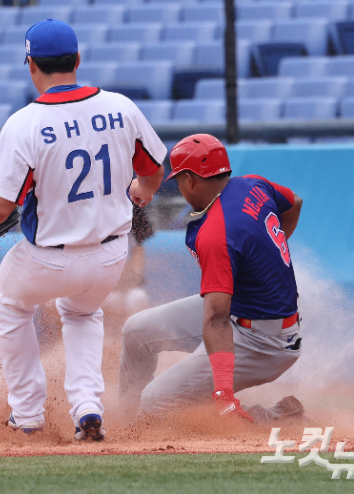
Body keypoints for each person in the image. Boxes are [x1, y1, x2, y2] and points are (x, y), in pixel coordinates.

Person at [0, 19, 167, 440]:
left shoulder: (25, 123)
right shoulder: (121, 107)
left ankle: (28, 413)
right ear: (78, 60)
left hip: (48, 258)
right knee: (84, 312)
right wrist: (141, 190)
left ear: (30, 64)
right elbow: (155, 169)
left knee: (14, 306)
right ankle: (87, 405)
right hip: (110, 254)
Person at [119, 134, 305, 423]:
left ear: (191, 180)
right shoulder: (253, 185)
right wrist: (261, 252)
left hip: (263, 340)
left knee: (156, 402)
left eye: (180, 179)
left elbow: (217, 320)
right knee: (136, 330)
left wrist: (223, 394)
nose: (179, 186)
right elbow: (294, 202)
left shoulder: (217, 232)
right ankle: (128, 424)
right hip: (243, 309)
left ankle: (278, 419)